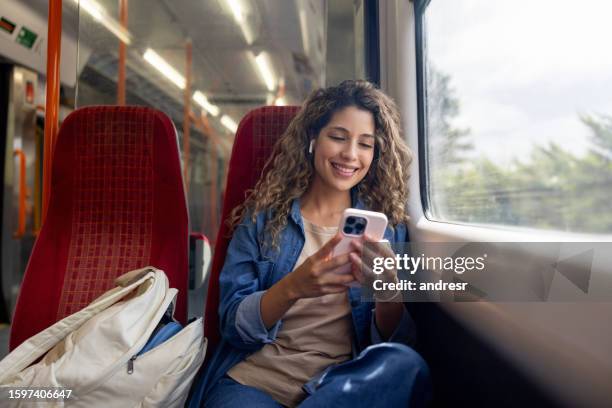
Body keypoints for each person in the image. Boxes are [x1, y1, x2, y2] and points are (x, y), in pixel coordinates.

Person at [192, 80, 431, 407]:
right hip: (257, 381)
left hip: (339, 385)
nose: (350, 154)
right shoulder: (262, 219)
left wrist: (388, 294)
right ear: (313, 139)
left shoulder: (388, 229)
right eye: (338, 137)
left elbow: (395, 341)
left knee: (405, 363)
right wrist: (295, 285)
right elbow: (233, 323)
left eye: (365, 144)